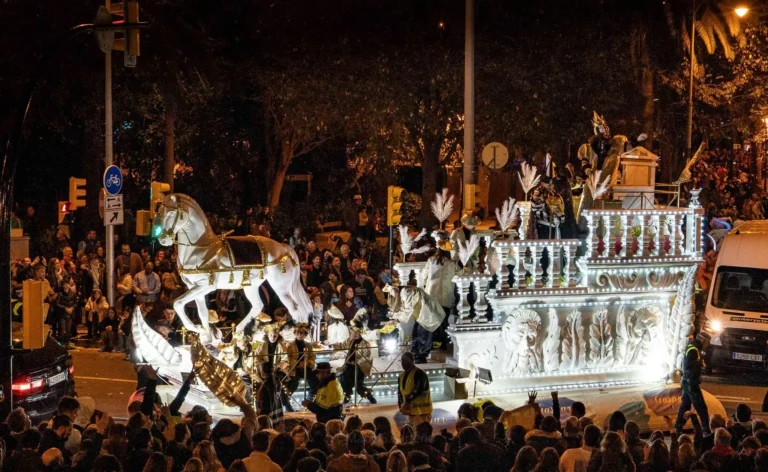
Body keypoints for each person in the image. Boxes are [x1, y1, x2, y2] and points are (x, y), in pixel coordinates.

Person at [333, 324, 377, 404]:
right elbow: (342, 345)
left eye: (355, 332)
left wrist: (355, 362)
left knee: (358, 385)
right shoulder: (350, 340)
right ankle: (347, 396)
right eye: (352, 331)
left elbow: (366, 357)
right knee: (344, 381)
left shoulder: (364, 343)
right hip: (348, 366)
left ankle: (368, 395)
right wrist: (332, 345)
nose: (352, 333)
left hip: (359, 368)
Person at [675, 338, 710, 435]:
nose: (707, 345)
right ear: (703, 341)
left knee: (685, 405)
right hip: (691, 383)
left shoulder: (692, 348)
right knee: (701, 407)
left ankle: (678, 428)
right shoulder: (693, 350)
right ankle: (706, 430)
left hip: (687, 382)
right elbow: (689, 366)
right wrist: (700, 364)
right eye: (707, 342)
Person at [398, 352, 432, 425]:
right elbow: (400, 392)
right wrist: (401, 405)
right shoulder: (401, 376)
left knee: (422, 434)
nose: (403, 363)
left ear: (412, 361)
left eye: (405, 361)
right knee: (412, 433)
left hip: (423, 413)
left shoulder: (419, 374)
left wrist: (406, 402)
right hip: (411, 412)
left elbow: (418, 390)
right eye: (402, 361)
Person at [286, 323, 317, 396]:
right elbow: (287, 357)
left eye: (302, 333)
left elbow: (312, 356)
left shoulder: (308, 345)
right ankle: (287, 397)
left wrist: (307, 363)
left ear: (305, 334)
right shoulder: (289, 345)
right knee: (293, 382)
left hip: (305, 368)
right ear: (295, 334)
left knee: (315, 378)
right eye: (298, 333)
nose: (299, 335)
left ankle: (312, 395)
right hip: (294, 368)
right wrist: (297, 363)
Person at [256, 362, 284, 428]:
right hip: (276, 416)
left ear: (263, 371)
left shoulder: (266, 385)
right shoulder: (276, 380)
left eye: (260, 370)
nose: (260, 372)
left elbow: (265, 402)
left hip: (268, 416)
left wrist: (261, 412)